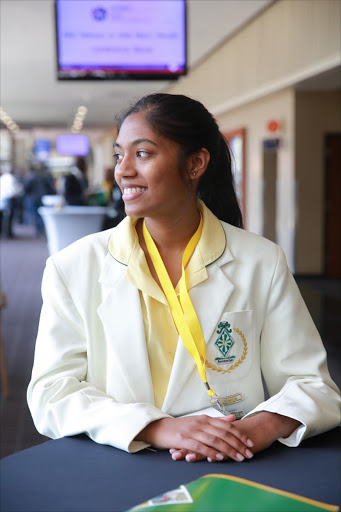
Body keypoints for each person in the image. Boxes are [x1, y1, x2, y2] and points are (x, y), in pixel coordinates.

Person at [27, 93, 340, 464]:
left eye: (142, 153)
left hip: (231, 463)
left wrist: (259, 427)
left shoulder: (260, 261)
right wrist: (155, 426)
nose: (123, 170)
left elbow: (313, 385)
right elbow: (51, 392)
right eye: (118, 154)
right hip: (121, 464)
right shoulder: (73, 267)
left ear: (195, 163)